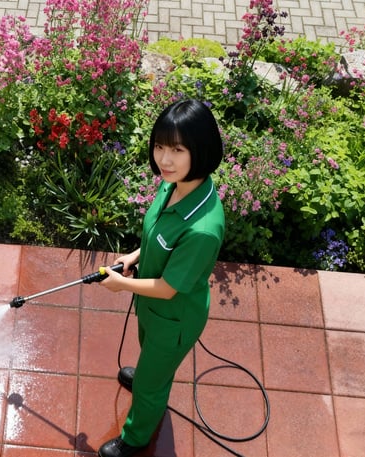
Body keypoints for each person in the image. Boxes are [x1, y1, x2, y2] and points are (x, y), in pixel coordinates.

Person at [97, 99, 225, 457]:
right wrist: (136, 255)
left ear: (200, 150)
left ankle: (134, 440)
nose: (164, 160)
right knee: (149, 355)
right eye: (160, 147)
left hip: (174, 317)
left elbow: (169, 289)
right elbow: (158, 232)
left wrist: (121, 284)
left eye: (177, 150)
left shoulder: (203, 229)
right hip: (152, 307)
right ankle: (150, 373)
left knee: (152, 385)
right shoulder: (175, 185)